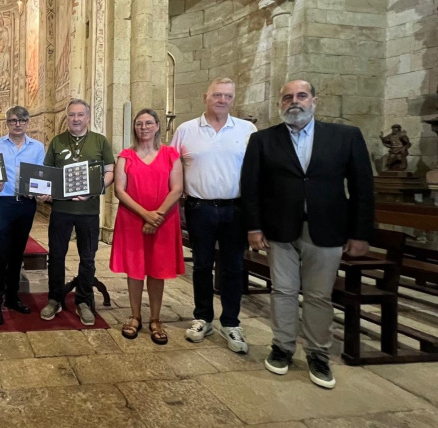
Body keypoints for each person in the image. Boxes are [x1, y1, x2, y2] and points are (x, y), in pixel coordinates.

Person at [241, 79, 374, 389]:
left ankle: (318, 353)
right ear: (280, 103)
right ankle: (283, 347)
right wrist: (254, 227)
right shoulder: (263, 140)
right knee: (283, 291)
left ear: (315, 100)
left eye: (301, 96)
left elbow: (362, 187)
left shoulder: (345, 136)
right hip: (279, 229)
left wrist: (360, 232)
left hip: (327, 228)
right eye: (288, 97)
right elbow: (251, 188)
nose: (294, 102)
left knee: (318, 295)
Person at [170, 78, 257, 353]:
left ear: (233, 99)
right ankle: (203, 317)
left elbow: (257, 173)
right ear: (205, 96)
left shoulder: (247, 130)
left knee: (233, 267)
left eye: (228, 96)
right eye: (217, 95)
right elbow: (171, 167)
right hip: (199, 207)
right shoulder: (186, 130)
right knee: (202, 265)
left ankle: (231, 322)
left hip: (236, 208)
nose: (222, 100)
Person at [110, 109, 184, 343]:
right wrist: (145, 215)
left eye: (148, 123)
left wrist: (157, 216)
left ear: (157, 126)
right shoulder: (126, 156)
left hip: (163, 220)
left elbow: (177, 189)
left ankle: (155, 318)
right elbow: (120, 190)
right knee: (135, 269)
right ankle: (134, 316)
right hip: (132, 219)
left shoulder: (171, 154)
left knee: (156, 268)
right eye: (139, 123)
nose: (144, 127)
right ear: (134, 128)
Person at [40, 99, 115, 326]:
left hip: (88, 211)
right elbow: (48, 173)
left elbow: (109, 171)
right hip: (62, 210)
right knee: (56, 256)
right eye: (72, 115)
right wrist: (44, 192)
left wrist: (95, 190)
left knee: (88, 258)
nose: (76, 119)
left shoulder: (99, 141)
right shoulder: (57, 141)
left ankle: (83, 301)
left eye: (80, 115)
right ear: (67, 117)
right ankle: (54, 298)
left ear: (88, 117)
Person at [0, 106, 46, 325]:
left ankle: (12, 297)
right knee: (1, 253)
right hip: (3, 203)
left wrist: (41, 191)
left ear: (28, 122)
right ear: (7, 123)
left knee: (18, 253)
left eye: (22, 120)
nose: (18, 124)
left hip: (26, 204)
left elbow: (41, 175)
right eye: (13, 120)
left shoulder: (37, 147)